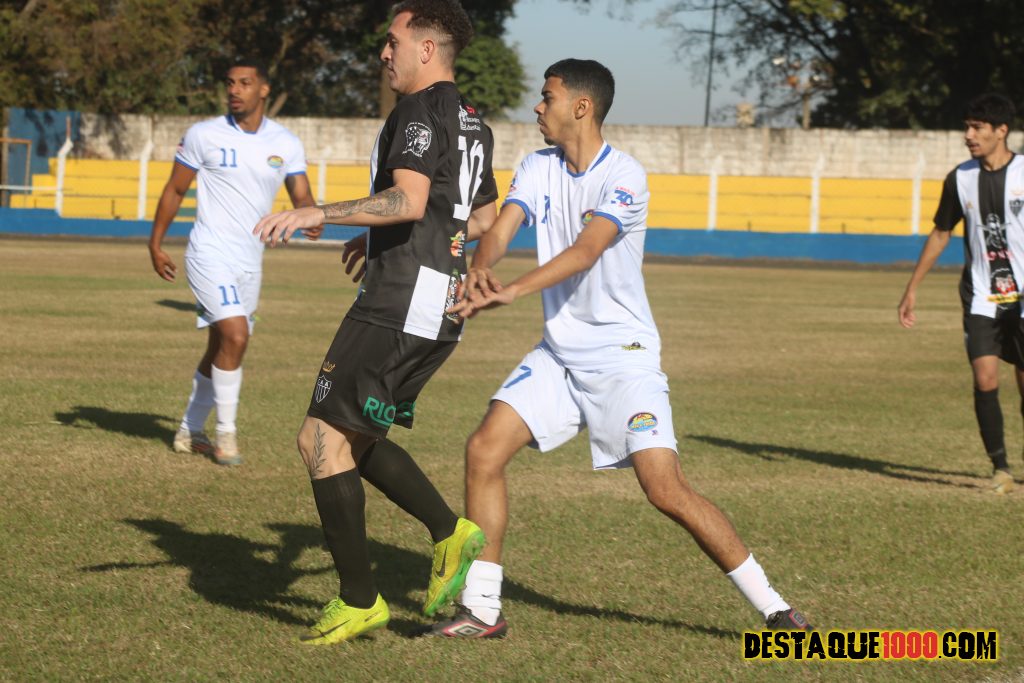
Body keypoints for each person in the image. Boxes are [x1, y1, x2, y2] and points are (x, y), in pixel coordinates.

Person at [427, 58, 813, 638]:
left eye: (548, 96)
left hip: (623, 358)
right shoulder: (536, 165)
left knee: (665, 490)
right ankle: (482, 610)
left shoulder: (625, 175)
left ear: (581, 107)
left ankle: (777, 609)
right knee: (484, 450)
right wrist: (481, 269)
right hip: (559, 355)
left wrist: (510, 291)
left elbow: (586, 251)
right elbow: (502, 229)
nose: (538, 106)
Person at [253, 0, 498, 645]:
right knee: (349, 440)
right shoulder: (473, 122)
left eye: (393, 41)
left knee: (320, 439)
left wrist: (319, 213)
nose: (384, 53)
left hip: (399, 302)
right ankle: (449, 533)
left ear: (426, 48)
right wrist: (382, 238)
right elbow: (477, 218)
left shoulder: (416, 111)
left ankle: (361, 599)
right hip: (436, 306)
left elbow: (409, 200)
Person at [148, 59, 317, 466]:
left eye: (244, 83)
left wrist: (311, 219)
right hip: (209, 253)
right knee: (237, 336)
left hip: (250, 261)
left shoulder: (286, 143)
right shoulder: (203, 134)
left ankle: (189, 430)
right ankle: (226, 436)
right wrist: (155, 244)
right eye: (230, 83)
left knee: (223, 345)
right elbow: (174, 190)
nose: (234, 90)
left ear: (264, 90)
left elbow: (302, 198)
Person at [898, 93, 1022, 496]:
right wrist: (912, 288)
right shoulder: (960, 178)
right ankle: (1000, 468)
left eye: (977, 127)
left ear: (1001, 131)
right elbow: (941, 233)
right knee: (985, 378)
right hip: (982, 296)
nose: (969, 135)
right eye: (967, 127)